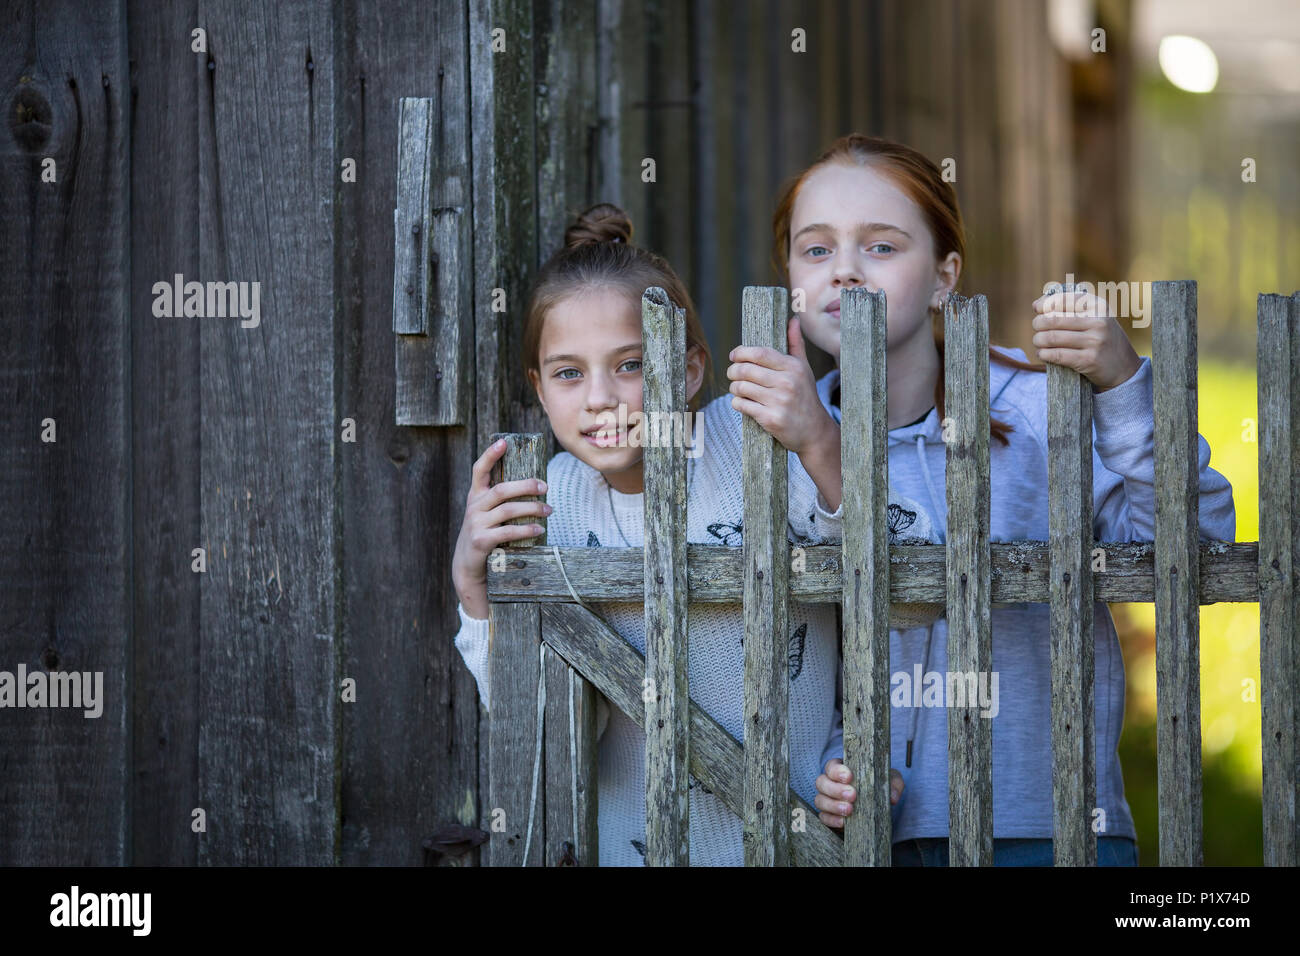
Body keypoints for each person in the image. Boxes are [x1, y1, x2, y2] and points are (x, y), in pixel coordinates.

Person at [781, 134, 1236, 866]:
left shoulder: (1034, 409)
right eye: (815, 250)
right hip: (861, 841)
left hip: (1044, 828)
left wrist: (1122, 386)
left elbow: (1199, 551)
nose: (844, 271)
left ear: (943, 277)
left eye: (883, 247)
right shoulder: (782, 441)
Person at [450, 202, 911, 865]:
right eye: (569, 373)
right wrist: (475, 587)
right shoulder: (550, 504)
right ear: (539, 388)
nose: (600, 396)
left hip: (794, 841)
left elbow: (884, 581)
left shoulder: (749, 441)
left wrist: (818, 438)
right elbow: (537, 721)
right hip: (634, 850)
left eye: (631, 365)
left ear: (691, 369)